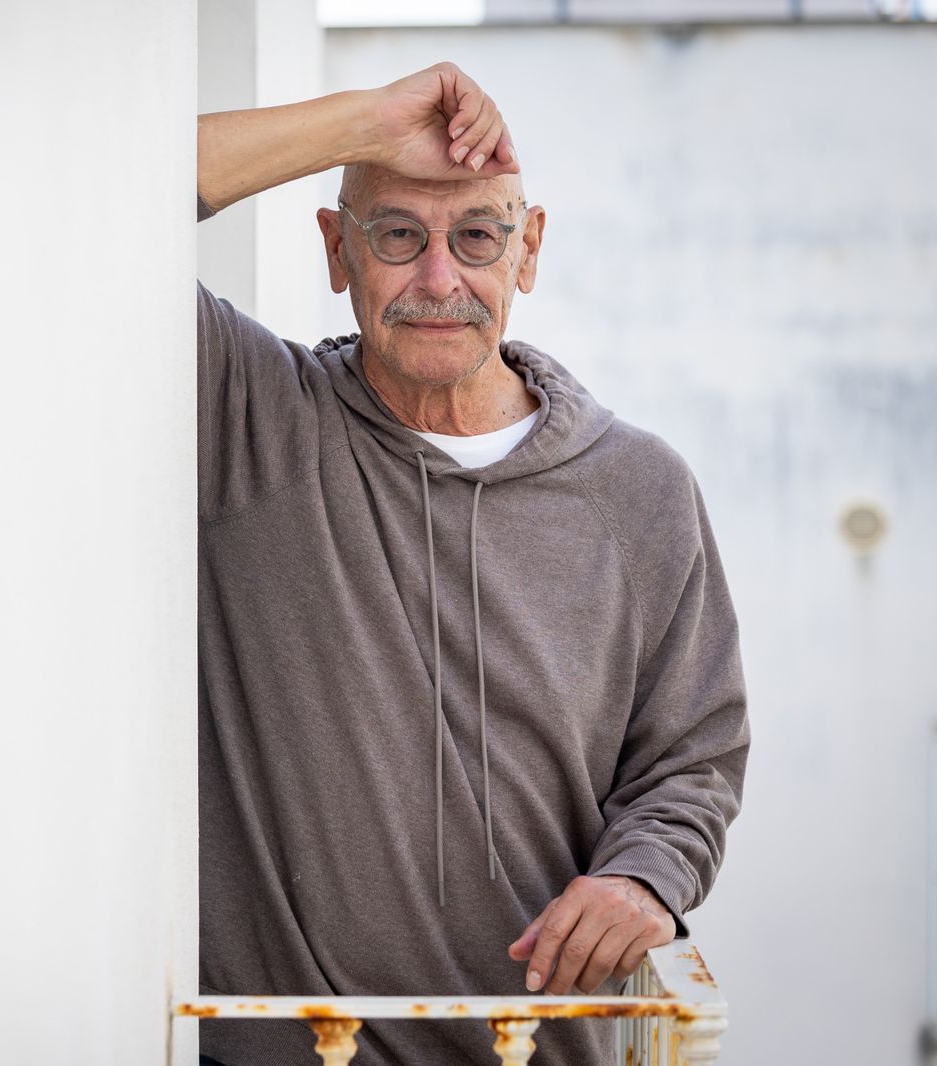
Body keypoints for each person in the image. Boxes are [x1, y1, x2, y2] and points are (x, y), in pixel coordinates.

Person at [195, 62, 750, 1065]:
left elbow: (689, 762)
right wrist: (363, 127)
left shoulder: (640, 489)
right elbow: (102, 193)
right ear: (337, 251)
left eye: (478, 237)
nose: (438, 280)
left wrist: (642, 878)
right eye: (397, 235)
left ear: (527, 250)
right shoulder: (252, 421)